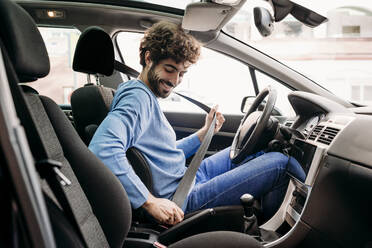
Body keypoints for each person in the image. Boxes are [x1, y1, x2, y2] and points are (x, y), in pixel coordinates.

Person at [89, 21, 305, 226]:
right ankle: (271, 234)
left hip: (189, 176)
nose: (175, 81)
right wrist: (149, 201)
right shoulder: (137, 99)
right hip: (182, 197)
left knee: (248, 152)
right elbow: (103, 148)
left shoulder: (143, 94)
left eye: (182, 73)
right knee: (283, 165)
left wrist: (203, 133)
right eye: (170, 69)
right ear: (148, 58)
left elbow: (163, 153)